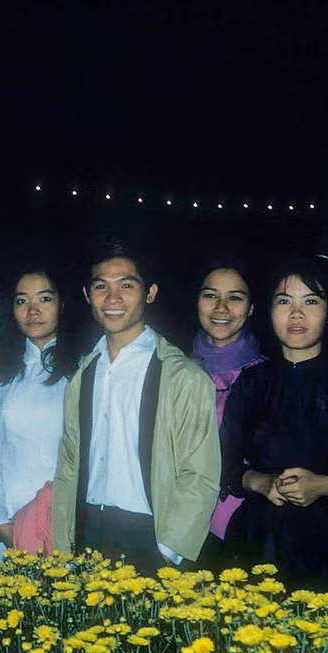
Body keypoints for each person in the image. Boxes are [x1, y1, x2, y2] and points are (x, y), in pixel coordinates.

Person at [220, 256, 328, 591]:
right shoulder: (251, 383)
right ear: (270, 310)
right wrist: (259, 481)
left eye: (311, 301)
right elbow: (222, 461)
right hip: (255, 539)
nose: (296, 314)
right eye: (285, 301)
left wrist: (326, 485)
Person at [51, 241, 220, 574]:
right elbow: (68, 466)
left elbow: (200, 474)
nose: (112, 298)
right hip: (88, 530)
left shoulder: (182, 376)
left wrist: (168, 552)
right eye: (101, 286)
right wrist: (65, 544)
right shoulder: (82, 375)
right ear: (87, 295)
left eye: (126, 285)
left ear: (150, 293)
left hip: (152, 537)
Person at [0, 266, 80, 556]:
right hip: (7, 512)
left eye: (44, 299)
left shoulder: (82, 368)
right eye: (22, 301)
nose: (33, 310)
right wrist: (0, 521)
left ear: (62, 304)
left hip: (62, 516)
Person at [188, 262, 266, 569]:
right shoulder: (175, 370)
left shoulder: (269, 377)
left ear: (251, 308)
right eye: (211, 295)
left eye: (235, 297)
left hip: (241, 529)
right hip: (181, 523)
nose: (221, 307)